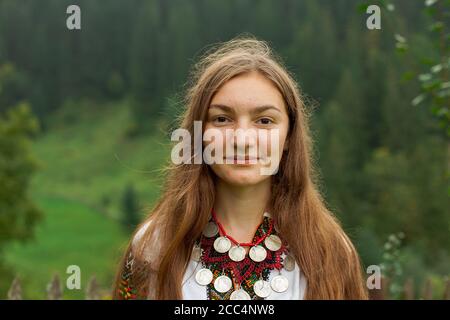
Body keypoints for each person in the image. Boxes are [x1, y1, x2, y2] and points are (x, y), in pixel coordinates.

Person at [113, 36, 368, 300]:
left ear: (289, 137)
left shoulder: (329, 251)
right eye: (222, 119)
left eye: (265, 121)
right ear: (199, 134)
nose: (242, 139)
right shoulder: (154, 246)